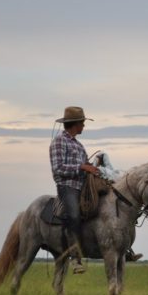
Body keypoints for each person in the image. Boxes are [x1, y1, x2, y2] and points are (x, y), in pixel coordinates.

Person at [49, 106, 101, 274]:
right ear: (75, 124)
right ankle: (74, 257)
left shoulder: (79, 146)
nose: (84, 126)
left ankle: (120, 248)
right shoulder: (59, 141)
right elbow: (58, 169)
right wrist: (82, 167)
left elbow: (87, 166)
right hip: (67, 187)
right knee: (74, 215)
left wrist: (95, 168)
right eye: (82, 123)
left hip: (84, 187)